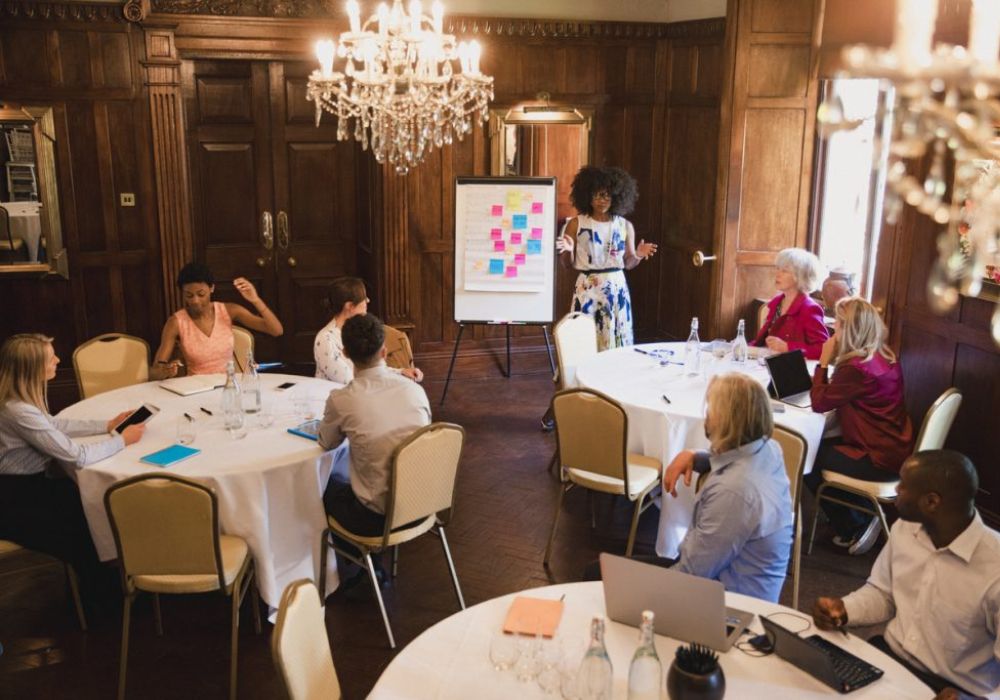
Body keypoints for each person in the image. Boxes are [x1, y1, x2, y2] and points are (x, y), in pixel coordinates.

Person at [813, 451, 999, 698]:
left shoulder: (994, 568)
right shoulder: (904, 530)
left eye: (904, 485)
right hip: (889, 662)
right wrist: (844, 609)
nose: (897, 489)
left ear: (931, 502)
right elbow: (883, 594)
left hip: (951, 688)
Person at [0, 333, 146, 607]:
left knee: (89, 502)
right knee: (87, 518)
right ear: (32, 369)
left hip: (28, 488)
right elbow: (77, 456)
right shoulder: (19, 411)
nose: (58, 360)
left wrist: (106, 425)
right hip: (16, 501)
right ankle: (103, 599)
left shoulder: (16, 401)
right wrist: (121, 440)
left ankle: (106, 581)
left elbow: (53, 426)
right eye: (50, 358)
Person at [652, 373, 793, 602]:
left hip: (729, 607)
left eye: (711, 409)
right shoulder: (769, 450)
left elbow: (692, 574)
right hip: (744, 586)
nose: (706, 415)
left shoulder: (734, 493)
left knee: (606, 580)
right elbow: (737, 460)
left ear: (727, 421)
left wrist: (644, 595)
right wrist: (696, 457)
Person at [317, 314, 431, 583]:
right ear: (384, 351)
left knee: (323, 487)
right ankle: (371, 564)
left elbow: (326, 442)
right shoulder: (414, 391)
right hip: (425, 503)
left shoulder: (343, 399)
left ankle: (365, 565)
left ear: (345, 353)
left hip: (378, 518)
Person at [804, 297, 914, 555]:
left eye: (839, 325)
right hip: (893, 443)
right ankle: (857, 512)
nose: (834, 330)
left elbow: (819, 402)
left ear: (850, 330)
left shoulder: (856, 369)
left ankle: (854, 524)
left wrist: (822, 362)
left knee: (807, 457)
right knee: (819, 446)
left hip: (876, 456)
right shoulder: (884, 355)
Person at [556, 166, 657, 351]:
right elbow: (566, 264)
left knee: (615, 334)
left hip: (616, 288)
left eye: (606, 195)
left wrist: (639, 255)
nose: (601, 200)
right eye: (596, 195)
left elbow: (628, 263)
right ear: (587, 196)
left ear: (617, 196)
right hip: (587, 288)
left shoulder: (625, 225)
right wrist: (568, 250)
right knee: (585, 335)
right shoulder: (576, 224)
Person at [151, 262, 283, 378]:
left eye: (201, 294)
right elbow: (154, 372)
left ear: (211, 288)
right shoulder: (176, 322)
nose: (195, 301)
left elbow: (276, 330)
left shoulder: (229, 311)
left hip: (228, 386)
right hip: (195, 389)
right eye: (189, 295)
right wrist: (166, 371)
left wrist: (255, 300)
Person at [314, 277, 423, 384]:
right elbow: (350, 381)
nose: (368, 300)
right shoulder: (325, 339)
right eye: (364, 298)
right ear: (350, 306)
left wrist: (401, 372)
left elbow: (372, 370)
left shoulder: (360, 331)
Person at [752, 247, 829, 359]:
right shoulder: (776, 303)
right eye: (778, 269)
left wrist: (788, 347)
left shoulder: (810, 309)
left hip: (792, 369)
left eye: (785, 271)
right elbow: (762, 341)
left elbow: (823, 349)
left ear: (800, 276)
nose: (777, 274)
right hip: (769, 363)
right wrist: (743, 347)